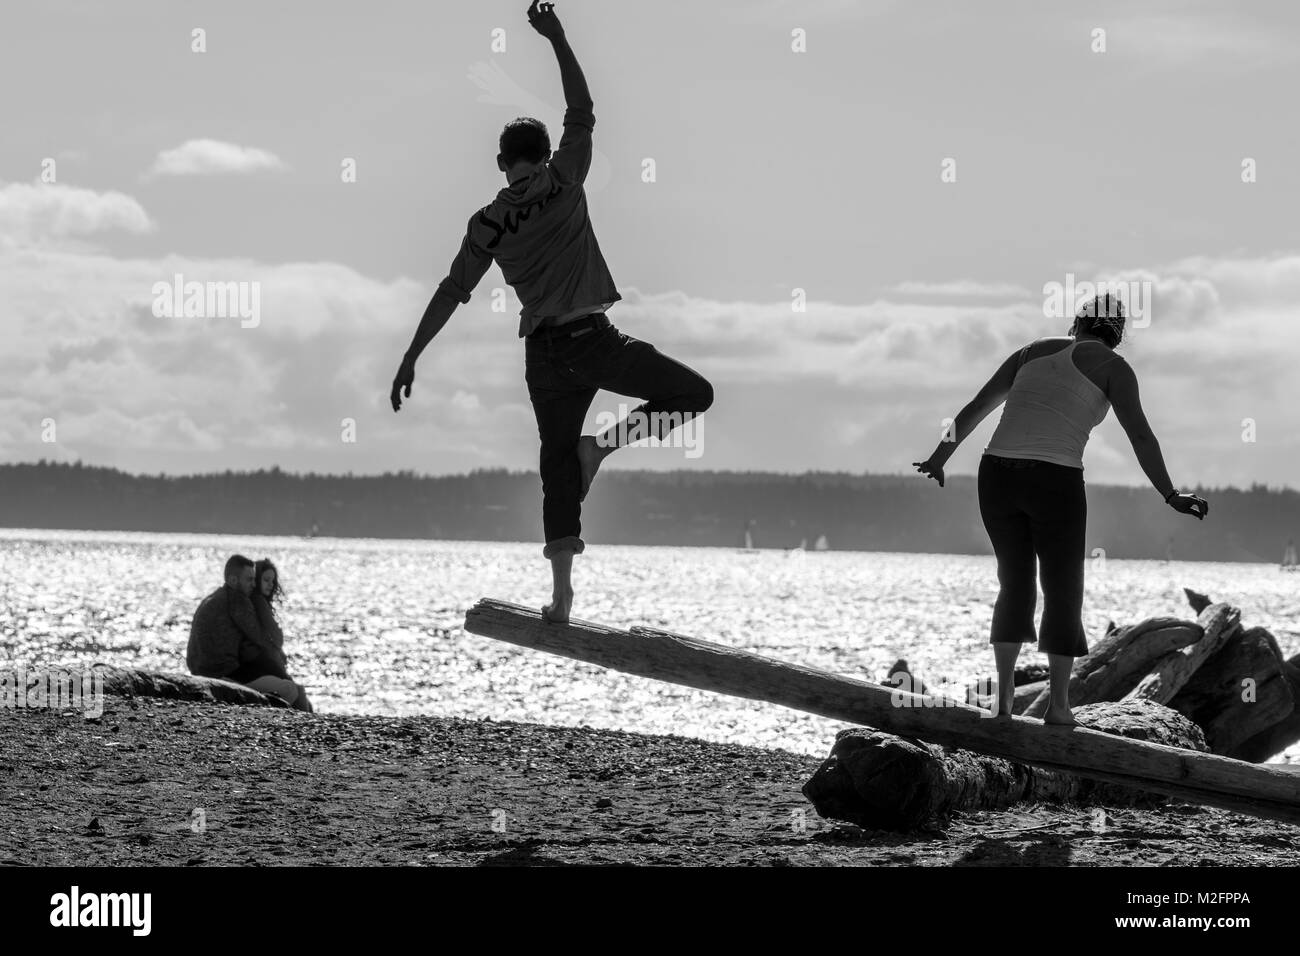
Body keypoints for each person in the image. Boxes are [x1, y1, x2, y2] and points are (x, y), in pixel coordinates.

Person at [390, 0, 713, 625]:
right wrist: (558, 36)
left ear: (501, 163)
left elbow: (451, 291)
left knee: (555, 467)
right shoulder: (567, 178)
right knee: (693, 395)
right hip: (595, 341)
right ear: (544, 152)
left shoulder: (487, 222)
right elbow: (583, 112)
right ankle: (606, 448)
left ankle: (563, 597)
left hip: (543, 355)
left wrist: (410, 355)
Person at [912, 294, 1208, 726]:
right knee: (1063, 589)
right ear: (1119, 334)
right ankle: (1059, 706)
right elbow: (1141, 437)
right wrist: (1170, 494)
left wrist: (940, 457)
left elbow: (975, 408)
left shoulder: (1030, 351)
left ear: (1076, 323)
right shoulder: (1115, 369)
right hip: (1055, 480)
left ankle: (1003, 699)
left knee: (1014, 584)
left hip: (996, 474)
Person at [186, 554, 312, 712]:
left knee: (288, 685)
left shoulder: (214, 598)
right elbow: (261, 638)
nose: (253, 585)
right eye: (249, 580)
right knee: (290, 689)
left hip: (200, 669)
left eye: (254, 579)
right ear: (233, 580)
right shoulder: (237, 600)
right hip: (222, 673)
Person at [250, 558, 313, 713]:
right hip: (261, 666)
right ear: (256, 579)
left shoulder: (256, 601)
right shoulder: (258, 601)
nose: (271, 585)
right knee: (300, 694)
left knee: (302, 697)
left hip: (263, 665)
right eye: (266, 580)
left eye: (272, 580)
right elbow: (277, 637)